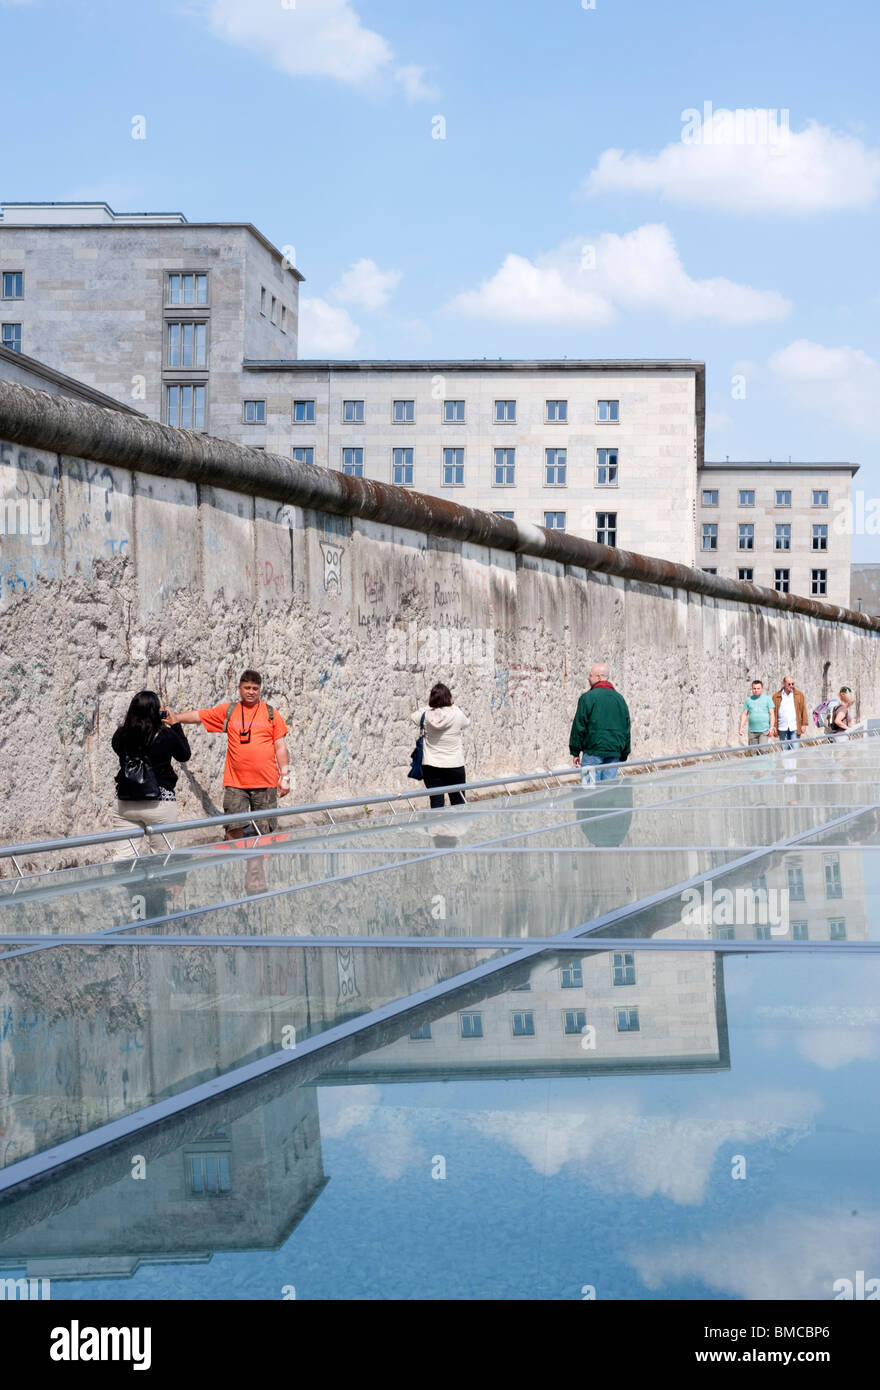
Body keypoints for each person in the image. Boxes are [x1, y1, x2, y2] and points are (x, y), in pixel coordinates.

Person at [169, 669, 290, 839]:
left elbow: (280, 746)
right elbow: (200, 715)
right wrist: (176, 718)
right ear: (239, 688)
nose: (251, 692)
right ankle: (236, 863)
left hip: (266, 783)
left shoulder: (271, 714)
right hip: (236, 784)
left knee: (264, 832)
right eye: (247, 687)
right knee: (233, 830)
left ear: (260, 690)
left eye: (255, 688)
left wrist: (285, 777)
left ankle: (258, 865)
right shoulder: (230, 711)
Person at [110, 691, 191, 845]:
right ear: (156, 712)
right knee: (162, 858)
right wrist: (175, 725)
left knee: (124, 857)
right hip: (160, 801)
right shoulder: (165, 735)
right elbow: (184, 754)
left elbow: (117, 749)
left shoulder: (120, 735)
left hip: (126, 801)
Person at [569, 663, 631, 784]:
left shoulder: (587, 698)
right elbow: (626, 728)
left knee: (588, 792)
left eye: (590, 675)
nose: (588, 678)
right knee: (608, 793)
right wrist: (624, 753)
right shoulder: (620, 699)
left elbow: (579, 725)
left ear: (598, 677)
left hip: (593, 752)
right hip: (614, 753)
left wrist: (575, 751)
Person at [411, 683, 470, 808]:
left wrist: (430, 706)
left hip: (431, 766)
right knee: (459, 804)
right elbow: (466, 723)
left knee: (436, 803)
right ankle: (458, 827)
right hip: (455, 765)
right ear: (449, 697)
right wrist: (452, 705)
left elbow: (414, 717)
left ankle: (436, 827)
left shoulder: (425, 716)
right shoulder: (457, 714)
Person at [772, 676, 808, 745]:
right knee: (785, 752)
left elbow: (803, 709)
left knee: (795, 751)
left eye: (792, 684)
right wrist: (773, 725)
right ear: (783, 683)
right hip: (782, 726)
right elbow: (773, 712)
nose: (791, 686)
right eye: (789, 684)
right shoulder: (776, 696)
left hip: (795, 726)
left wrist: (804, 724)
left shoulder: (799, 695)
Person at [739, 678, 775, 747]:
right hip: (752, 731)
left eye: (758, 688)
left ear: (762, 689)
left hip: (764, 731)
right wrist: (741, 727)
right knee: (753, 752)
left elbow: (772, 714)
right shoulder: (748, 700)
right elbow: (744, 714)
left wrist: (771, 727)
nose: (756, 690)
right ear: (752, 689)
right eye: (754, 688)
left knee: (763, 750)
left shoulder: (768, 699)